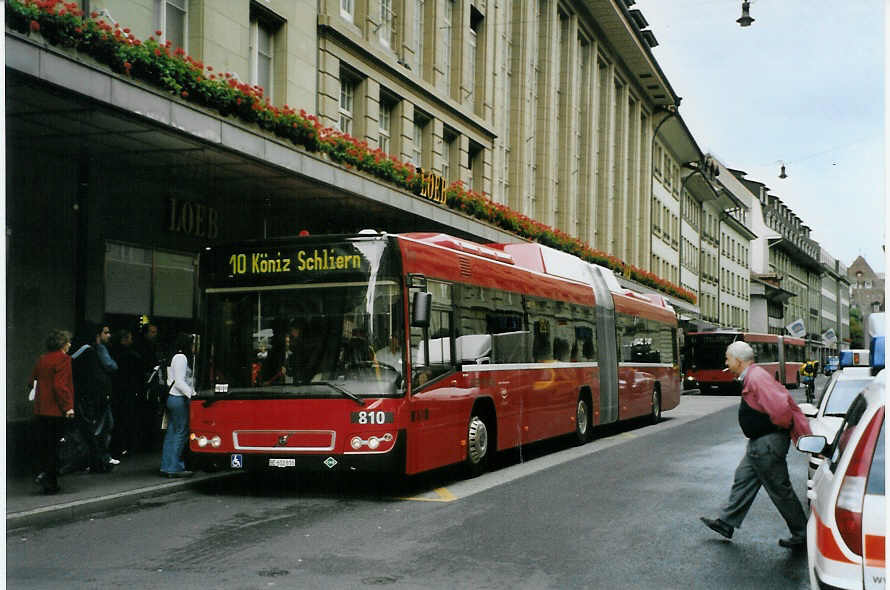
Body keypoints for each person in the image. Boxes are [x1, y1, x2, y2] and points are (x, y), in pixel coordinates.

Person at [700, 340, 812, 549]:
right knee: (743, 479)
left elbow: (780, 409)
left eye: (727, 358)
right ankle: (726, 522)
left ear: (737, 360)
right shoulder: (753, 376)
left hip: (767, 443)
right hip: (760, 443)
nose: (726, 362)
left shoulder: (756, 377)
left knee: (779, 489)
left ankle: (802, 533)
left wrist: (775, 428)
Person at [30, 329, 76, 494]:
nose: (70, 344)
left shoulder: (42, 359)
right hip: (56, 409)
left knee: (45, 445)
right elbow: (60, 386)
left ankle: (45, 476)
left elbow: (32, 381)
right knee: (55, 446)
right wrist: (68, 407)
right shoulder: (64, 360)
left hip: (41, 409)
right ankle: (50, 480)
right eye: (68, 342)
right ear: (62, 344)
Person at [70, 321, 116, 473]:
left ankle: (90, 461)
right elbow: (97, 376)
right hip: (92, 398)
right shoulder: (89, 351)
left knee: (88, 431)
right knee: (98, 429)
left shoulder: (74, 352)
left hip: (78, 396)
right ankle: (97, 461)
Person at [160, 332, 195, 478]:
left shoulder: (173, 356)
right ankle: (175, 466)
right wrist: (192, 394)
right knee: (181, 431)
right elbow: (180, 381)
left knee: (172, 432)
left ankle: (166, 465)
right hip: (178, 398)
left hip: (171, 398)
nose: (193, 346)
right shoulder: (181, 357)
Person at [110, 329, 142, 459]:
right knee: (128, 419)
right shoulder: (132, 356)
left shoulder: (113, 353)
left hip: (116, 390)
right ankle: (127, 446)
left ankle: (117, 447)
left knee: (117, 420)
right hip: (129, 390)